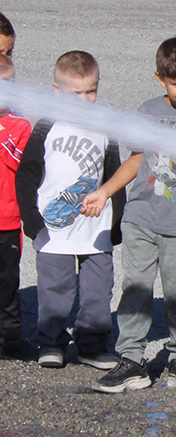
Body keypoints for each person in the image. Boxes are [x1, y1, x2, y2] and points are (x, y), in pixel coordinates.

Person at [82, 36, 176, 393]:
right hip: (140, 218)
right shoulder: (148, 112)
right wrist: (105, 192)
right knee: (135, 287)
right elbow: (137, 160)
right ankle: (132, 359)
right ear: (160, 78)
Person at [15, 51, 125, 369]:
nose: (85, 100)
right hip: (53, 229)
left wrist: (116, 221)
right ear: (56, 90)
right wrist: (32, 220)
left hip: (96, 229)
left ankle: (92, 345)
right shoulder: (46, 127)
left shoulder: (106, 128)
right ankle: (51, 342)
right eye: (76, 93)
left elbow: (115, 174)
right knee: (55, 289)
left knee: (98, 290)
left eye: (91, 91)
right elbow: (27, 175)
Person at [0, 55, 34, 360]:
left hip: (7, 220)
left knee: (8, 280)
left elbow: (21, 166)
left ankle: (11, 336)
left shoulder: (20, 125)